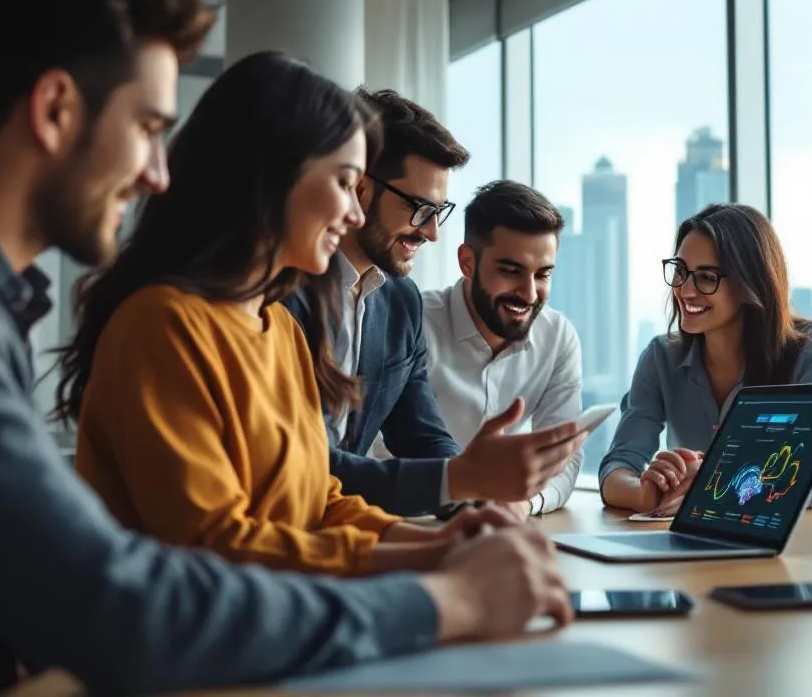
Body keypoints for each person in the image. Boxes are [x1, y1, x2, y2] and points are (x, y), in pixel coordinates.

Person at [0, 0, 567, 695]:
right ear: (56, 108)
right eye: (152, 128)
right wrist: (444, 595)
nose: (159, 174)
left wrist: (434, 549)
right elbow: (137, 588)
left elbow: (312, 500)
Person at [54, 51, 532, 577]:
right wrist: (433, 551)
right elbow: (212, 544)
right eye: (345, 183)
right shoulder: (161, 325)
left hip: (284, 614)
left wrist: (444, 540)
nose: (354, 211)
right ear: (275, 178)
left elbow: (318, 498)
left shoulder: (275, 326)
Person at [287, 90, 585, 516]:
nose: (431, 233)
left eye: (438, 211)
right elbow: (311, 463)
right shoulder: (283, 293)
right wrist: (462, 479)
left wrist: (477, 503)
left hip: (342, 530)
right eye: (420, 209)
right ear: (362, 188)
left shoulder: (398, 302)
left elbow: (422, 436)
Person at [599, 203, 812, 514]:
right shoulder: (660, 357)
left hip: (781, 546)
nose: (685, 290)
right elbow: (617, 467)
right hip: (687, 544)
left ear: (750, 281)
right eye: (681, 271)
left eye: (706, 277)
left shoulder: (810, 348)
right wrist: (647, 494)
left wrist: (711, 482)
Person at [421, 181, 584, 518]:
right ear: (467, 262)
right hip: (407, 520)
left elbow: (563, 462)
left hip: (494, 527)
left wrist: (523, 504)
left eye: (542, 275)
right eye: (511, 271)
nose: (528, 293)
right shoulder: (414, 325)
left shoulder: (558, 338)